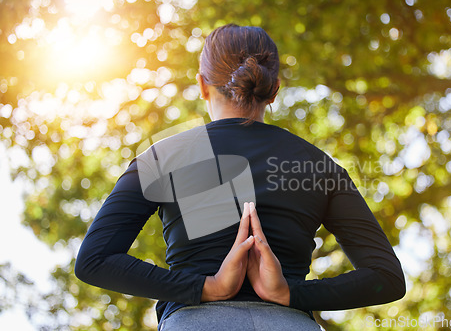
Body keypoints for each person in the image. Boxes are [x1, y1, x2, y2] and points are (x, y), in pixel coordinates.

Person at [75, 24, 405, 330]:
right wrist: (291, 294)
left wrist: (205, 286)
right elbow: (387, 277)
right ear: (274, 89)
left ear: (203, 85)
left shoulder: (163, 156)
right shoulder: (319, 167)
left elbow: (95, 260)